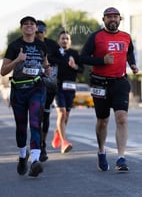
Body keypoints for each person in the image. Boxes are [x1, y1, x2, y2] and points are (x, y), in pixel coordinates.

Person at [80, 7, 139, 172]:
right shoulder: (96, 36)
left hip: (120, 82)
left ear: (120, 19)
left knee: (122, 118)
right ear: (104, 20)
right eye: (109, 17)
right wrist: (101, 60)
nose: (112, 20)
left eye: (115, 17)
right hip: (100, 83)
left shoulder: (126, 37)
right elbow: (83, 57)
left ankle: (121, 157)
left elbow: (130, 52)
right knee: (103, 121)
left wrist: (132, 64)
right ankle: (101, 151)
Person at [1, 16, 52, 177]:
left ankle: (35, 160)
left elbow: (45, 64)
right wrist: (17, 60)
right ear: (22, 28)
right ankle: (23, 156)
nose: (29, 26)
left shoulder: (41, 45)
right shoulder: (15, 45)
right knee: (21, 126)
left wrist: (47, 69)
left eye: (32, 24)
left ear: (36, 28)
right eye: (26, 24)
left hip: (36, 88)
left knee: (36, 122)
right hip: (19, 89)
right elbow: (3, 71)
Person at [53, 30, 84, 154]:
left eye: (67, 38)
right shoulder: (55, 53)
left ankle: (57, 132)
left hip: (70, 88)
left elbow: (81, 69)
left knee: (66, 116)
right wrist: (65, 59)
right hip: (58, 87)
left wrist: (74, 66)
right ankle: (64, 142)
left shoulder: (74, 53)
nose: (65, 40)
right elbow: (51, 60)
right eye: (62, 38)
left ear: (70, 41)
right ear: (59, 40)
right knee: (62, 112)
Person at [35, 20, 61, 162]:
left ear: (45, 32)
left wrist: (48, 60)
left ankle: (43, 144)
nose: (39, 34)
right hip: (34, 84)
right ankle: (37, 144)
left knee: (45, 115)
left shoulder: (52, 44)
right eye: (37, 32)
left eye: (41, 32)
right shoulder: (29, 44)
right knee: (36, 115)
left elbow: (61, 59)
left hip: (50, 84)